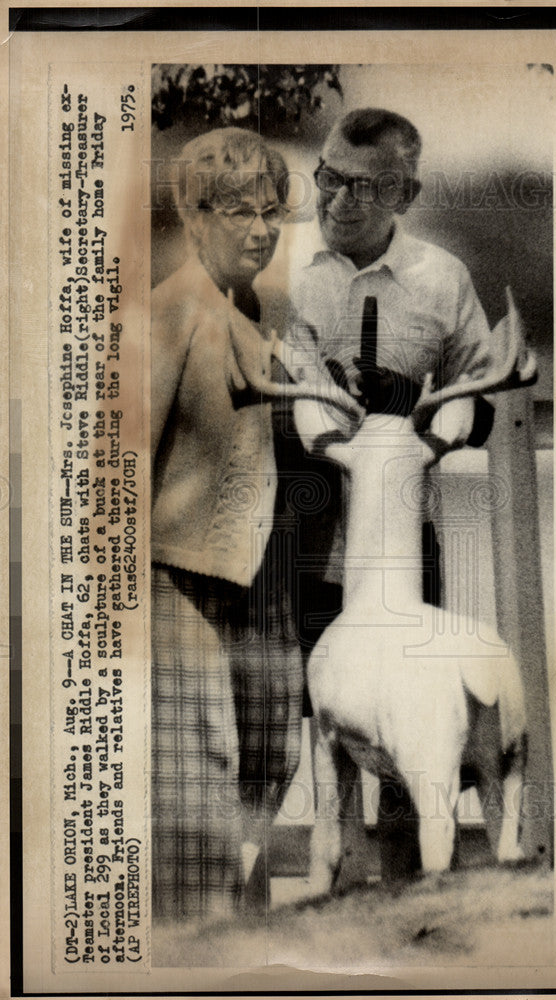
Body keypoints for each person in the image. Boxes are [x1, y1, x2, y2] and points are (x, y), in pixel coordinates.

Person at [258, 108, 497, 882]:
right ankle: (324, 885)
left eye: (364, 187)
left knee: (412, 720)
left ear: (406, 193)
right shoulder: (285, 271)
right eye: (328, 177)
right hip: (299, 537)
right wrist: (315, 419)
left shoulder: (442, 280)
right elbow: (254, 403)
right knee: (315, 720)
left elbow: (484, 405)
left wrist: (413, 403)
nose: (337, 201)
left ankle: (409, 893)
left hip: (399, 550)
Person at [150, 127, 303, 919]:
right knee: (200, 757)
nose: (259, 229)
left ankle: (237, 924)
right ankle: (191, 936)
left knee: (271, 754)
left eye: (272, 212)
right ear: (193, 214)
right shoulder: (171, 312)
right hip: (172, 580)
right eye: (238, 211)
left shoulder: (253, 311)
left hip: (249, 580)